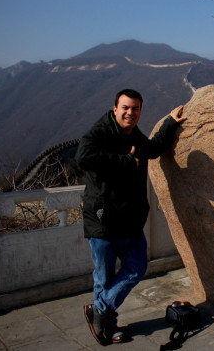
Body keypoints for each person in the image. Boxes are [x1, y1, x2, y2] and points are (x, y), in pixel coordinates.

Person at [76, 89, 186, 345]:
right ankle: (106, 326)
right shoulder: (101, 131)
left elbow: (154, 149)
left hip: (129, 219)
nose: (130, 112)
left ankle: (99, 311)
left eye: (135, 108)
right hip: (102, 218)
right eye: (125, 107)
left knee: (136, 268)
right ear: (115, 109)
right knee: (103, 277)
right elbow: (82, 157)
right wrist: (125, 162)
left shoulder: (134, 134)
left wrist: (170, 121)